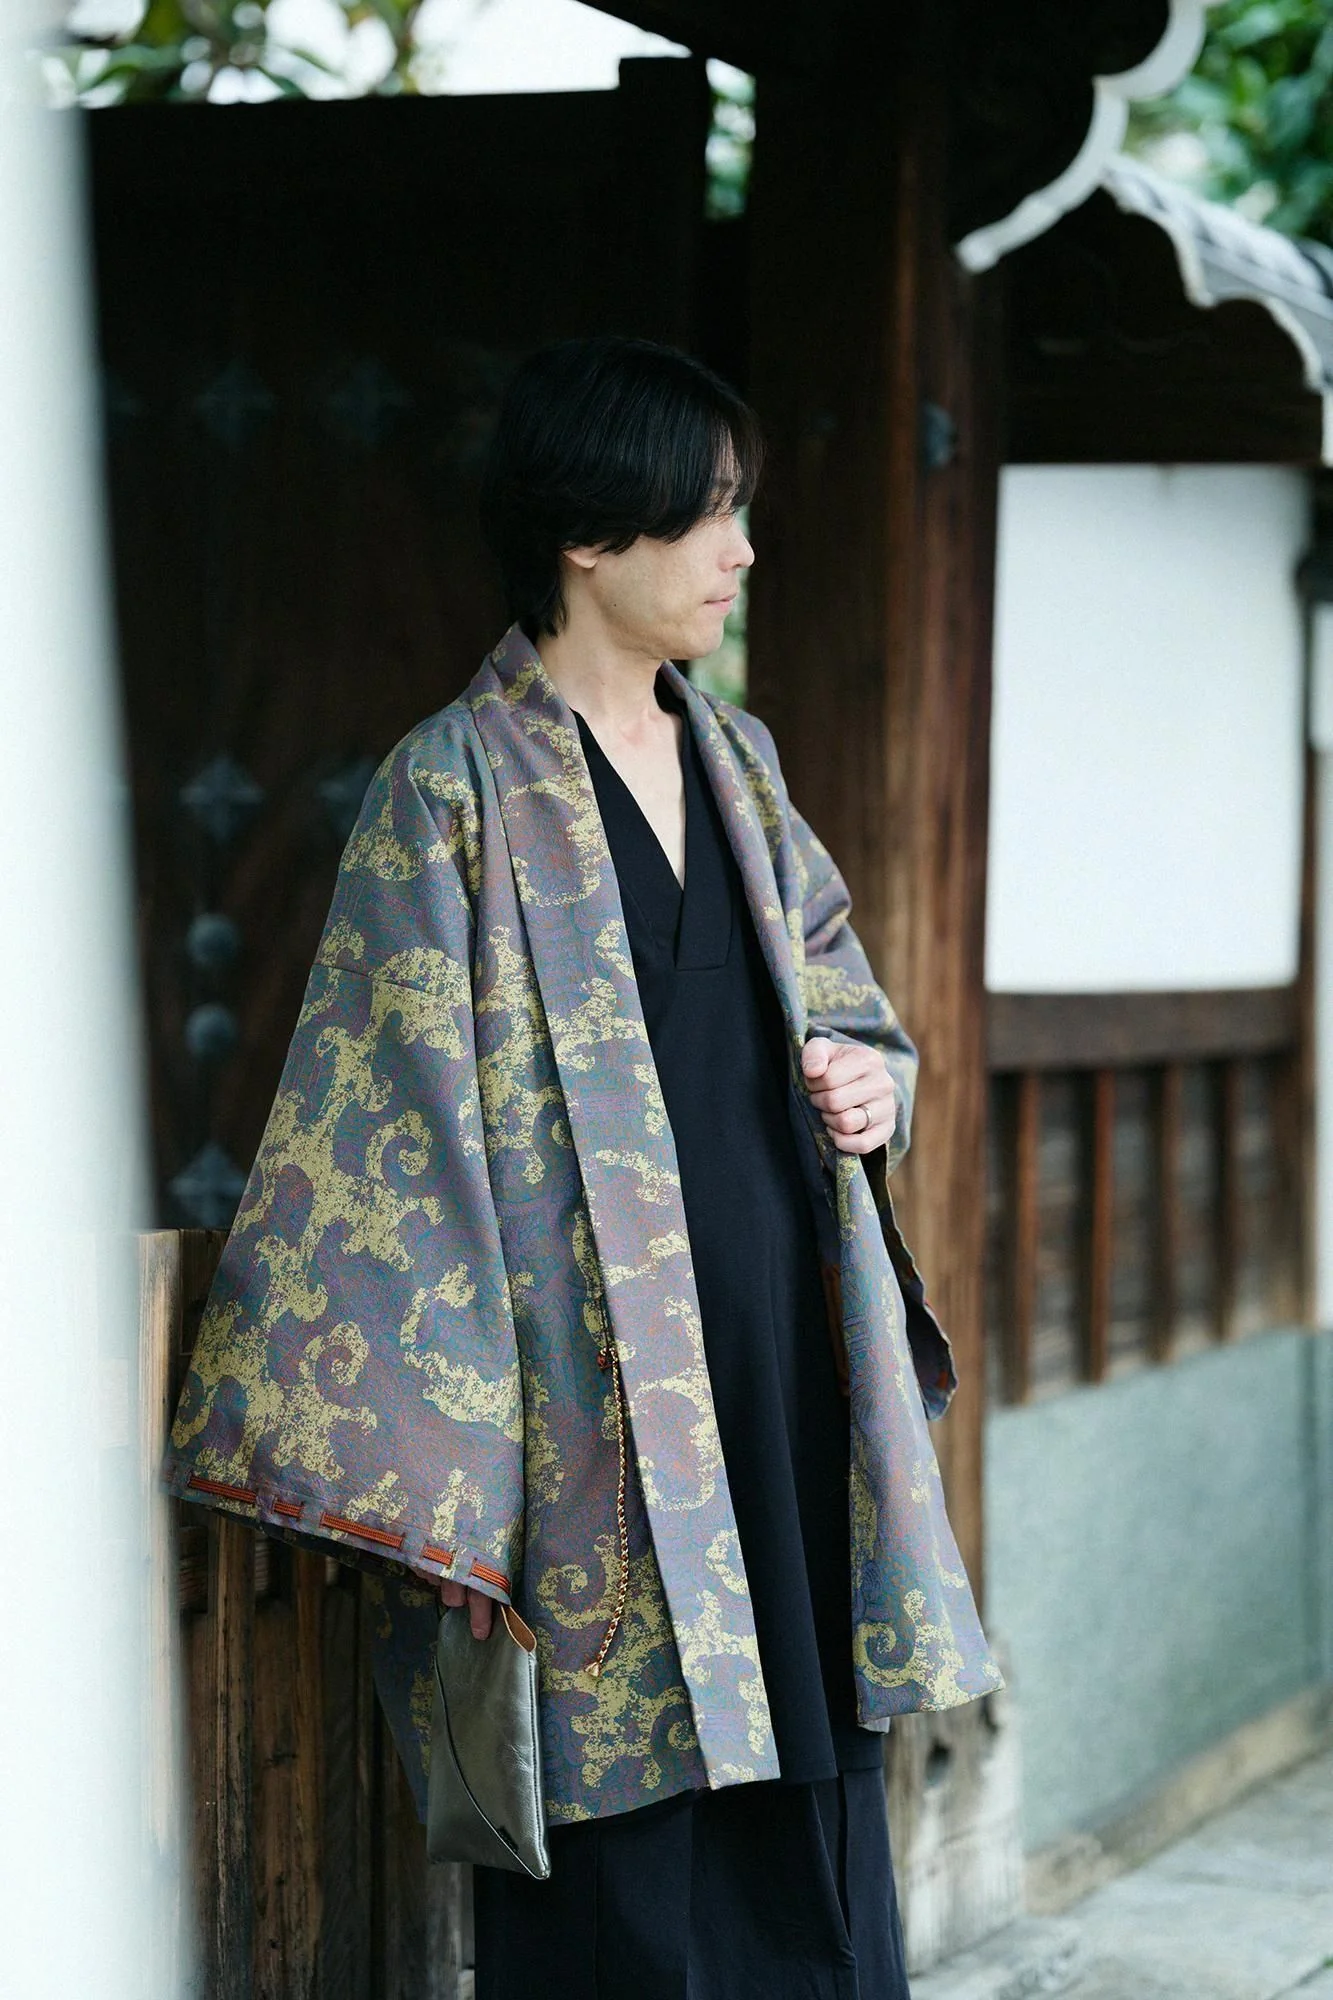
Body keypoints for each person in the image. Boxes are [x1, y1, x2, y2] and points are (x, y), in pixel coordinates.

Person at [164, 334, 1003, 1999]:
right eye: (709, 513)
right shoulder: (449, 791)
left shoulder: (741, 762)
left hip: (776, 1360)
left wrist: (870, 1080)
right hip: (581, 1410)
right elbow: (385, 1149)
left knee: (813, 1785)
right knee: (628, 1828)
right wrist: (459, 1496)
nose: (742, 551)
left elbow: (845, 1002)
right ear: (588, 534)